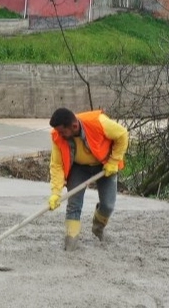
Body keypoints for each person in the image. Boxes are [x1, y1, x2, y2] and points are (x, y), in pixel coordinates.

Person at [47, 107, 128, 250]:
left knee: (108, 206)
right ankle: (70, 242)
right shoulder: (58, 136)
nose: (60, 135)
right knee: (74, 205)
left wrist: (114, 161)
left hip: (105, 164)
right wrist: (55, 192)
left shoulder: (99, 122)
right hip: (78, 168)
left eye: (62, 132)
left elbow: (122, 134)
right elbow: (57, 165)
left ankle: (98, 227)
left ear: (74, 126)